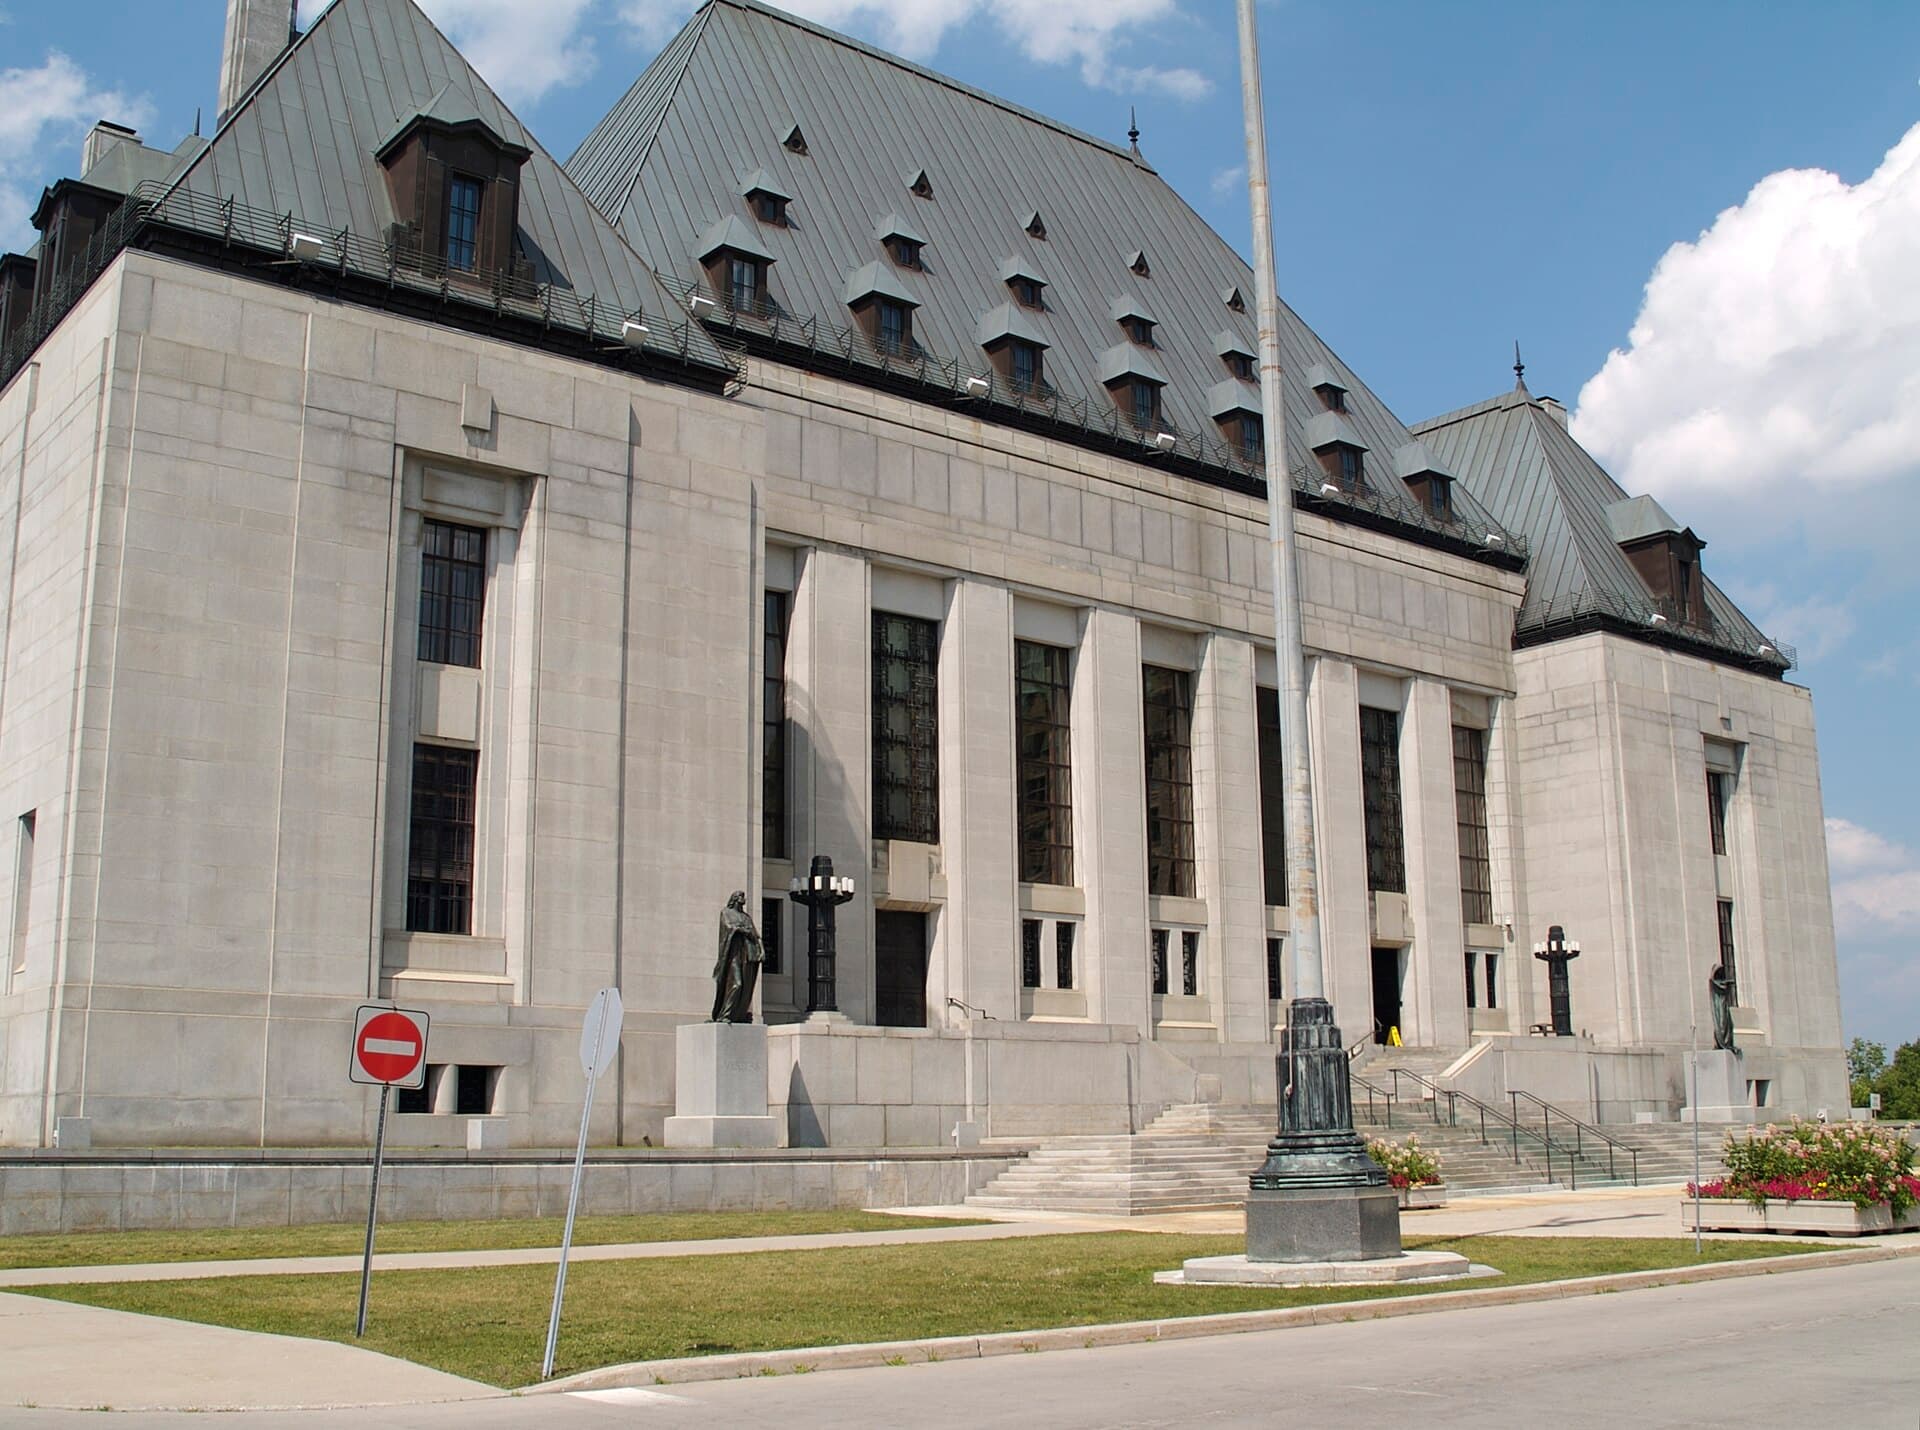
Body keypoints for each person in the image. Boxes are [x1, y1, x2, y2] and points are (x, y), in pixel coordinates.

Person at [711, 891, 764, 1023]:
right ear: (735, 899)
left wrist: (762, 950)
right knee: (736, 984)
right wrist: (741, 930)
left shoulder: (746, 917)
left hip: (747, 954)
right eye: (741, 896)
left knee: (746, 986)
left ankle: (738, 1015)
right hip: (732, 955)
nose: (744, 899)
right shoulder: (726, 913)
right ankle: (725, 1015)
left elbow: (756, 936)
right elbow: (728, 927)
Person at [1708, 961, 1739, 1055]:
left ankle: (1726, 1043)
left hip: (1724, 1006)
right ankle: (1721, 1042)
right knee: (1721, 1023)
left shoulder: (1721, 984)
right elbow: (1718, 985)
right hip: (1719, 1006)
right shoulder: (1713, 983)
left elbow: (1724, 987)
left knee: (1727, 1023)